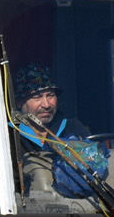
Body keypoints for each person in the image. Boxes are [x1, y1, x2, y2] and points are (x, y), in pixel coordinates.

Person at [11, 64, 91, 195]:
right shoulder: (7, 134)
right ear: (19, 102)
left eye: (50, 95)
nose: (46, 104)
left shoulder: (73, 127)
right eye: (36, 97)